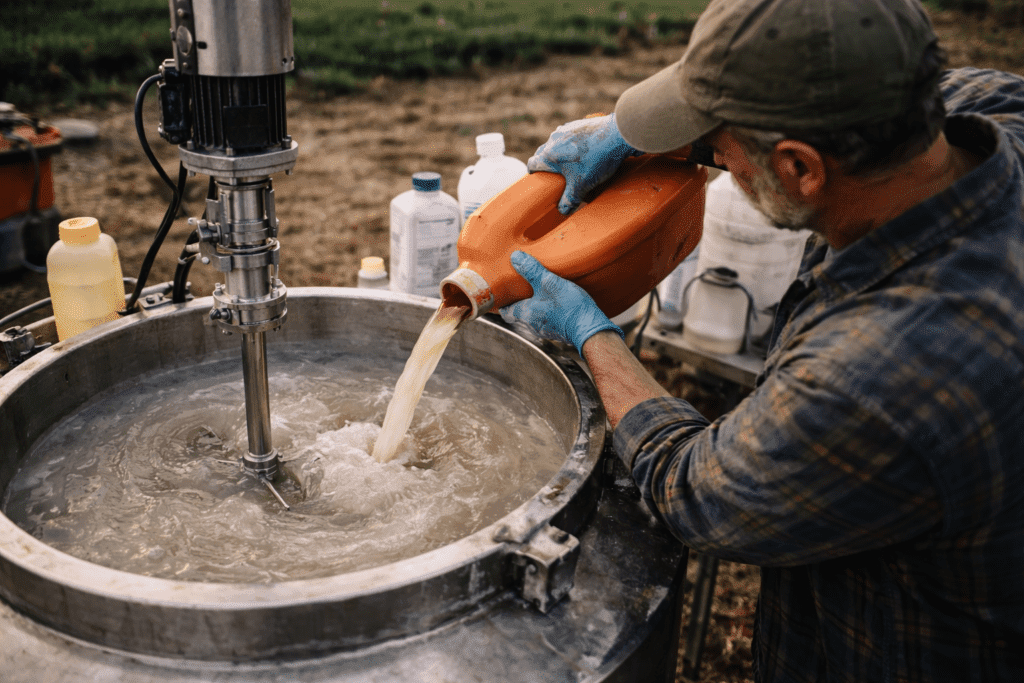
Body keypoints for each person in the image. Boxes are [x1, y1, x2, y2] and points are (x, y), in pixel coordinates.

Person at [499, 0, 1024, 680]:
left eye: (720, 147)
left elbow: (694, 488)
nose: (711, 158)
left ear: (802, 169)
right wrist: (637, 135)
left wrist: (589, 330)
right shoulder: (986, 117)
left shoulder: (879, 374)